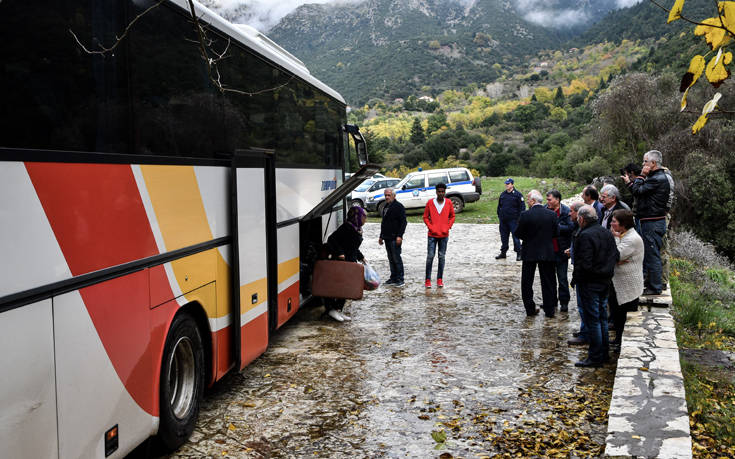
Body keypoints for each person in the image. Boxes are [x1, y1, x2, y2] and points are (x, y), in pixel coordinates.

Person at [571, 205, 619, 367]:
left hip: (590, 282)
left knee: (594, 320)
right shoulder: (606, 232)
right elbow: (615, 255)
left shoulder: (585, 236)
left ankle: (596, 356)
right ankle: (603, 353)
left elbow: (584, 263)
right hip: (605, 280)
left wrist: (578, 279)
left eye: (578, 218)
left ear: (582, 219)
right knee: (601, 318)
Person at [622, 150, 674, 295]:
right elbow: (639, 191)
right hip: (651, 220)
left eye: (645, 161)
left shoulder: (657, 178)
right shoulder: (657, 177)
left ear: (653, 163)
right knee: (650, 253)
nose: (643, 164)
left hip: (653, 221)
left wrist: (642, 175)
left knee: (652, 255)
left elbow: (638, 191)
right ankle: (651, 283)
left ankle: (655, 287)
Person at [515, 190, 558, 317]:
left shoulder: (525, 215)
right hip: (547, 251)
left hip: (529, 251)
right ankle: (550, 310)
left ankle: (530, 308)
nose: (527, 202)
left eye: (528, 199)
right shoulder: (552, 215)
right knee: (548, 282)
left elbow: (518, 233)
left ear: (533, 201)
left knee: (527, 282)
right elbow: (556, 233)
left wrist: (529, 237)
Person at [324, 206, 367, 322]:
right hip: (341, 262)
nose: (365, 219)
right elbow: (332, 239)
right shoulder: (346, 227)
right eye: (364, 217)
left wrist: (361, 257)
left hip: (350, 262)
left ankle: (338, 309)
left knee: (346, 287)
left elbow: (353, 247)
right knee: (338, 286)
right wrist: (340, 253)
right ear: (356, 217)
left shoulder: (356, 228)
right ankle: (331, 309)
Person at [609, 209, 644, 349]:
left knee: (623, 314)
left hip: (628, 284)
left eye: (614, 222)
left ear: (623, 224)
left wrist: (616, 239)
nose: (611, 224)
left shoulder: (631, 238)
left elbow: (616, 254)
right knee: (616, 313)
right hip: (618, 281)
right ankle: (618, 338)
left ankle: (622, 342)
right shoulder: (624, 235)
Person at [545, 190, 573, 312]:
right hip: (547, 251)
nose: (548, 202)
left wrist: (556, 227)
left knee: (562, 278)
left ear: (557, 200)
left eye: (550, 199)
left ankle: (564, 302)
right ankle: (551, 301)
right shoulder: (544, 209)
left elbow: (571, 227)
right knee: (549, 279)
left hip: (561, 250)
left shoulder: (566, 211)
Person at [566, 201, 589, 345]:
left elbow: (585, 256)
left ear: (580, 216)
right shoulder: (579, 229)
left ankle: (586, 334)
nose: (569, 214)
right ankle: (584, 331)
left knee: (585, 305)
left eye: (572, 211)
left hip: (584, 274)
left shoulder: (584, 232)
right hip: (583, 271)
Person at [423, 183, 455, 288]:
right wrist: (430, 227)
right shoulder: (430, 203)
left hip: (444, 235)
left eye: (442, 191)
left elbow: (452, 216)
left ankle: (439, 279)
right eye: (439, 191)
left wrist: (448, 226)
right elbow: (425, 217)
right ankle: (427, 279)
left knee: (442, 257)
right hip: (432, 234)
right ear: (436, 192)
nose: (441, 193)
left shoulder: (449, 202)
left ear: (445, 192)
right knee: (430, 256)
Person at [379, 188, 407, 287]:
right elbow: (384, 223)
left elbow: (403, 222)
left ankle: (400, 279)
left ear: (394, 196)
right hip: (387, 237)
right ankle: (393, 277)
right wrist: (381, 236)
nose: (387, 197)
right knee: (391, 259)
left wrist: (400, 236)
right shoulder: (385, 206)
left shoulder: (399, 206)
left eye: (389, 195)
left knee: (396, 258)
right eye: (385, 195)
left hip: (395, 238)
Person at [495, 178, 524, 261]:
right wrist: (500, 215)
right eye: (506, 184)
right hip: (503, 220)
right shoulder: (503, 194)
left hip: (514, 221)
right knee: (504, 237)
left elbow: (522, 208)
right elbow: (499, 206)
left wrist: (519, 219)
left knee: (516, 238)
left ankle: (519, 253)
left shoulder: (518, 195)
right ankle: (503, 252)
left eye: (508, 184)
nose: (506, 185)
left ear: (512, 184)